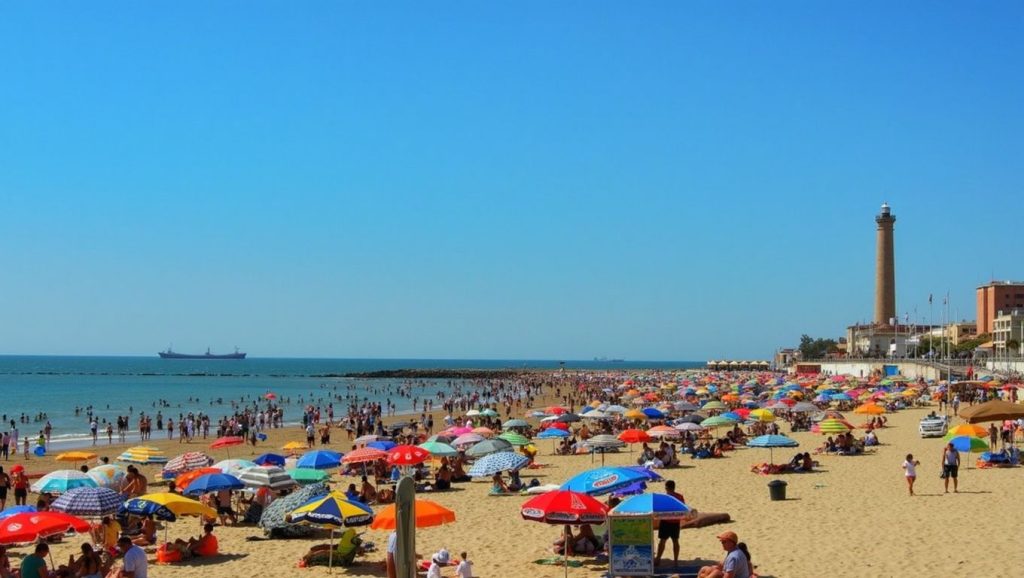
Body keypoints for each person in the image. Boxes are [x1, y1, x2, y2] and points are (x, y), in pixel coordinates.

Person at [654, 479, 686, 567]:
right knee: (675, 541)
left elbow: (659, 509)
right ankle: (675, 561)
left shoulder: (665, 497)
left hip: (666, 521)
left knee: (662, 541)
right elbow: (683, 508)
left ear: (667, 488)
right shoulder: (679, 496)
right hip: (675, 522)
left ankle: (658, 559)